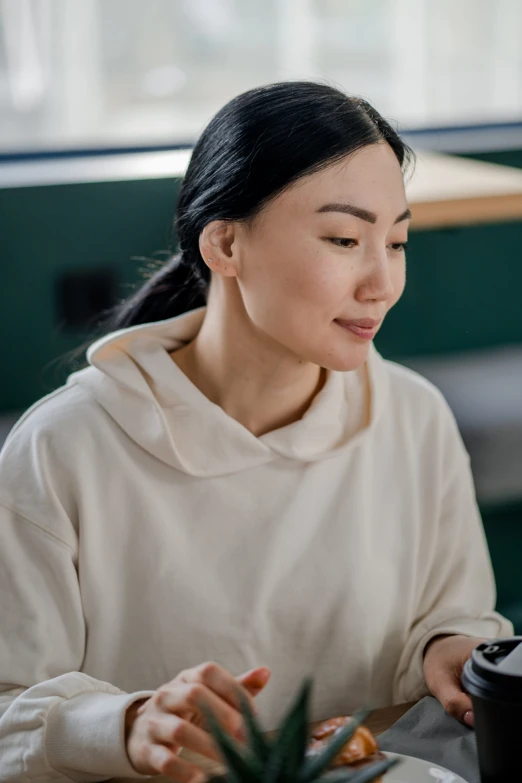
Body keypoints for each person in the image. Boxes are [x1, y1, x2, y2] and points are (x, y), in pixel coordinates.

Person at [0, 81, 512, 783]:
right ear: (225, 242)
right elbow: (7, 717)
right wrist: (125, 724)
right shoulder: (64, 448)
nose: (382, 281)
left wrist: (449, 646)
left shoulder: (413, 416)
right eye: (343, 238)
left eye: (396, 241)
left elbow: (451, 613)